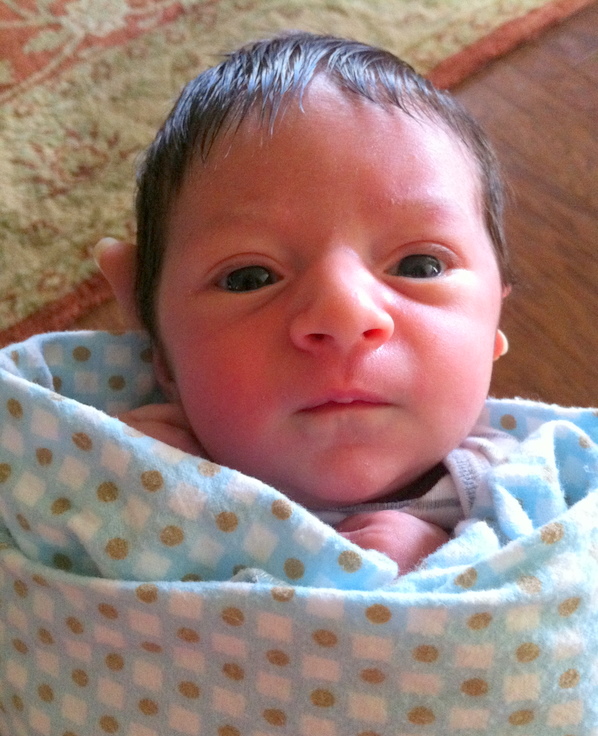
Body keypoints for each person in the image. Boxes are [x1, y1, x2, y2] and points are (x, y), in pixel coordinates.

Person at [95, 31, 514, 576]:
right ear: (163, 359)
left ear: (492, 329)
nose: (344, 315)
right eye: (250, 278)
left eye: (420, 267)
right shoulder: (127, 469)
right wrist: (131, 498)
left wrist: (450, 567)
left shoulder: (524, 488)